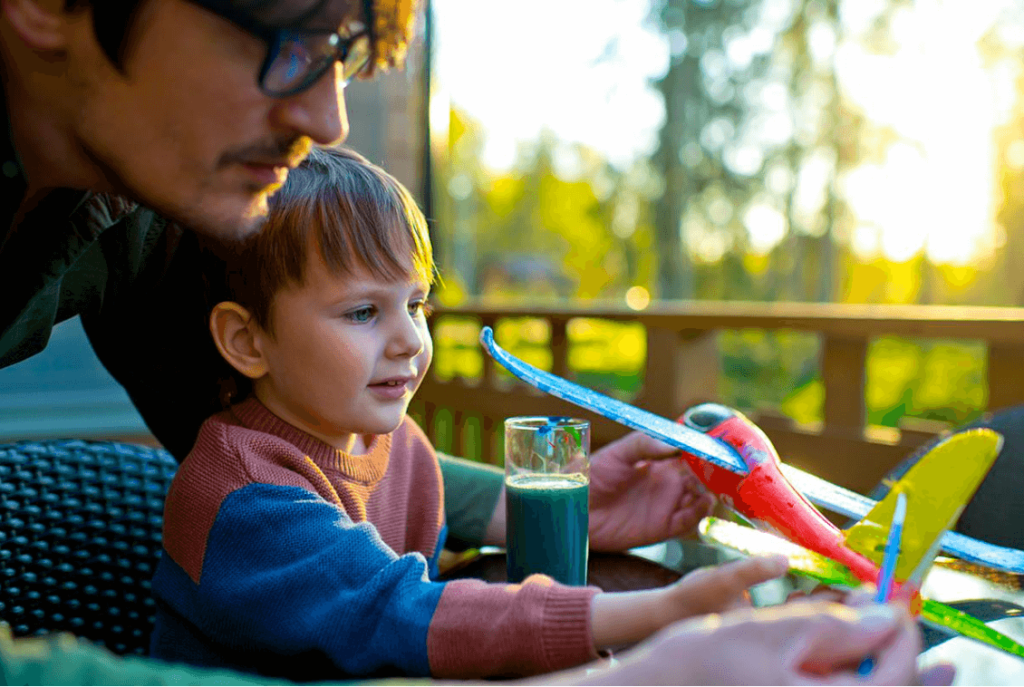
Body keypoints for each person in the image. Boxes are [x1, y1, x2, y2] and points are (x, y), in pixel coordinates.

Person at [0, 0, 949, 682]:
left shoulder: (176, 218)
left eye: (346, 45)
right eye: (289, 35)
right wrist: (655, 631)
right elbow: (381, 597)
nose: (328, 114)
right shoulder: (242, 494)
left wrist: (544, 504)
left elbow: (293, 425)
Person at [146, 145, 789, 680]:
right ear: (247, 340)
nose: (408, 340)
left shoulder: (387, 442)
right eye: (363, 312)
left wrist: (589, 503)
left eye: (416, 305)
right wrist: (658, 611)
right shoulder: (240, 496)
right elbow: (399, 612)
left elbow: (471, 502)